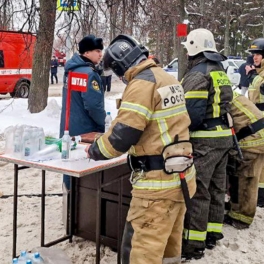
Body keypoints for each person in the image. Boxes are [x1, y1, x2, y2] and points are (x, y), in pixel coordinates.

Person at [85, 34, 196, 264]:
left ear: (120, 66)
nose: (121, 78)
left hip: (156, 188)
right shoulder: (167, 78)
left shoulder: (141, 84)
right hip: (181, 178)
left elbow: (121, 138)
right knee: (168, 247)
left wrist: (95, 149)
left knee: (141, 252)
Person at [180, 28, 233, 260]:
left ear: (193, 47)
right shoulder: (220, 70)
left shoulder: (197, 74)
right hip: (223, 138)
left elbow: (190, 114)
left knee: (198, 191)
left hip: (204, 141)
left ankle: (194, 243)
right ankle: (212, 234)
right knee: (217, 188)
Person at [59, 34, 105, 190]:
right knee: (85, 170)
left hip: (68, 126)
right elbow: (94, 106)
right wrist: (102, 124)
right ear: (86, 53)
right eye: (97, 50)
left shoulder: (71, 71)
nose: (100, 54)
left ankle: (68, 197)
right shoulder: (89, 73)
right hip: (86, 129)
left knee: (69, 165)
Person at [225, 91, 264, 229]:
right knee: (245, 177)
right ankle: (237, 208)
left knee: (245, 178)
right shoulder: (229, 92)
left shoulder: (222, 97)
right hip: (258, 134)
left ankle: (241, 218)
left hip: (252, 139)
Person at [246, 38, 264, 207]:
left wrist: (252, 76)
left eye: (258, 54)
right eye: (253, 55)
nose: (255, 58)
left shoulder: (260, 76)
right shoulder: (257, 75)